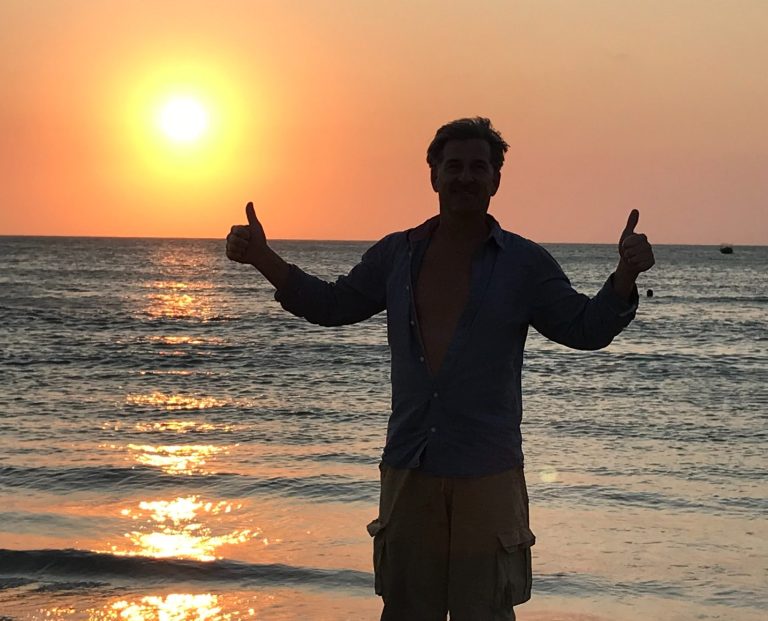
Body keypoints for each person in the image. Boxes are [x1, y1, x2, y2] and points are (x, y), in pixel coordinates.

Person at [226, 117, 655, 621]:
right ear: (433, 175)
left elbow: (585, 328)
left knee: (486, 612)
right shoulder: (396, 255)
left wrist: (625, 275)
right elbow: (332, 304)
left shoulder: (524, 264)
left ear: (496, 179)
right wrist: (263, 258)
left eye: (478, 167)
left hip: (488, 472)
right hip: (410, 467)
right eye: (454, 166)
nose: (465, 177)